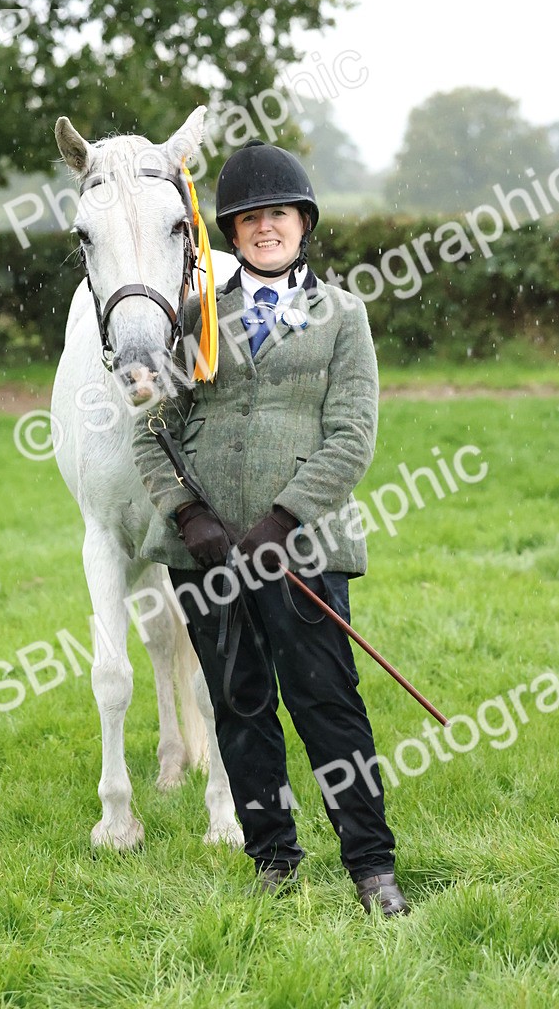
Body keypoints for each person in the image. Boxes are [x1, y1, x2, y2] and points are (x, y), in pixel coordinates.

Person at [132, 138, 409, 916]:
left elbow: (352, 434)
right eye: (250, 218)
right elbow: (148, 429)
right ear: (232, 230)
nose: (264, 228)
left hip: (302, 553)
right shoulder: (193, 320)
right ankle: (273, 861)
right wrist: (188, 515)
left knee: (327, 704)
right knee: (240, 704)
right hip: (207, 557)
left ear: (302, 224)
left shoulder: (343, 315)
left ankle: (372, 866)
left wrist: (284, 518)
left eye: (278, 215)